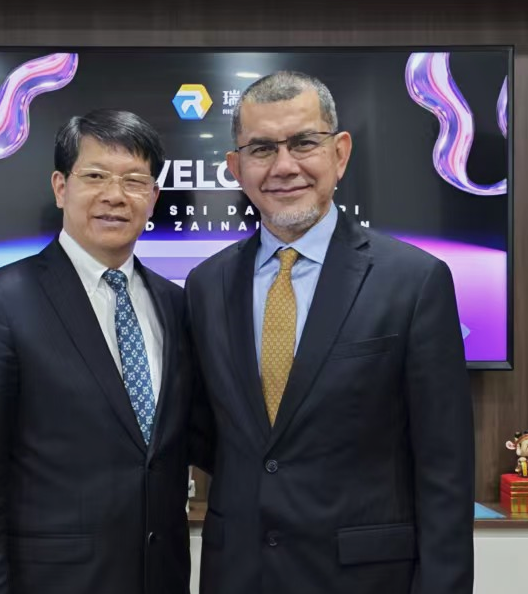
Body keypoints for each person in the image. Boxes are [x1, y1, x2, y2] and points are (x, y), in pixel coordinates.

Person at [186, 71, 474, 594]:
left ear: (340, 153)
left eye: (303, 143)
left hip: (364, 578)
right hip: (239, 574)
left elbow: (445, 472)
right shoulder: (206, 286)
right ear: (235, 168)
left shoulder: (414, 282)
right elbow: (210, 435)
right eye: (261, 149)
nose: (284, 166)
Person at [0, 109, 192, 594]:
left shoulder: (175, 303)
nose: (114, 196)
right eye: (95, 176)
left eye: (134, 181)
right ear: (61, 187)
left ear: (153, 198)